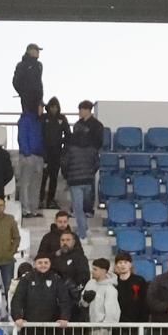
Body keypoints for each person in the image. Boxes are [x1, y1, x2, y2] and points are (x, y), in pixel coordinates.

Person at [63, 101, 104, 238]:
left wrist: (67, 175)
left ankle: (82, 232)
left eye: (81, 109)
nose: (79, 112)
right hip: (87, 173)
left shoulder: (96, 126)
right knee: (81, 202)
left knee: (79, 206)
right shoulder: (79, 125)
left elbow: (65, 163)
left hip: (76, 178)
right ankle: (84, 225)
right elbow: (96, 162)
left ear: (88, 110)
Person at [40, 97, 69, 209]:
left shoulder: (62, 118)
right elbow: (39, 133)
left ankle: (50, 200)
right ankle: (40, 199)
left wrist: (61, 143)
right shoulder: (44, 118)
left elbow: (68, 134)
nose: (54, 109)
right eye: (52, 107)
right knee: (43, 178)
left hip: (56, 153)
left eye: (55, 107)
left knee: (54, 178)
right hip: (44, 152)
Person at [16, 104, 44, 217]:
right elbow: (22, 137)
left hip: (39, 156)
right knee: (26, 184)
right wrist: (26, 153)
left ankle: (33, 209)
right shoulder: (25, 120)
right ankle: (25, 209)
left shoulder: (38, 121)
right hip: (28, 156)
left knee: (36, 185)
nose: (42, 109)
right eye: (41, 107)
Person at [12, 42, 44, 112]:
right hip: (27, 100)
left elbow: (39, 83)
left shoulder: (39, 65)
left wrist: (40, 99)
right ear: (30, 51)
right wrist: (24, 93)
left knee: (39, 117)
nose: (38, 52)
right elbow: (16, 81)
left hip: (38, 99)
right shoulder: (22, 65)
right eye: (36, 50)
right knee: (28, 116)